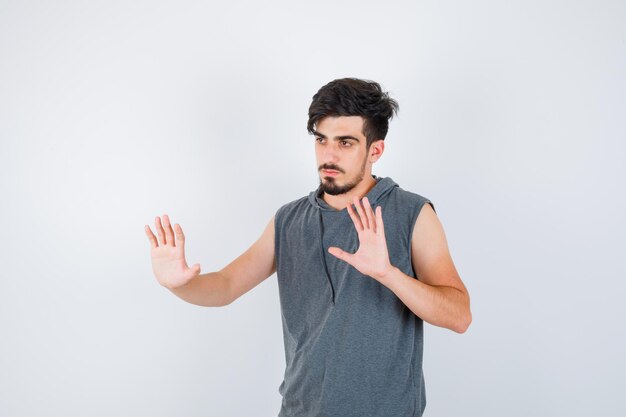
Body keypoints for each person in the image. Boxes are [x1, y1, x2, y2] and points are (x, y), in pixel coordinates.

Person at [144, 77, 472, 417]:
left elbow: (459, 316)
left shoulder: (411, 213)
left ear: (375, 150)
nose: (328, 155)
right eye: (321, 140)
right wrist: (180, 285)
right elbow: (225, 286)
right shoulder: (288, 220)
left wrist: (388, 274)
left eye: (345, 142)